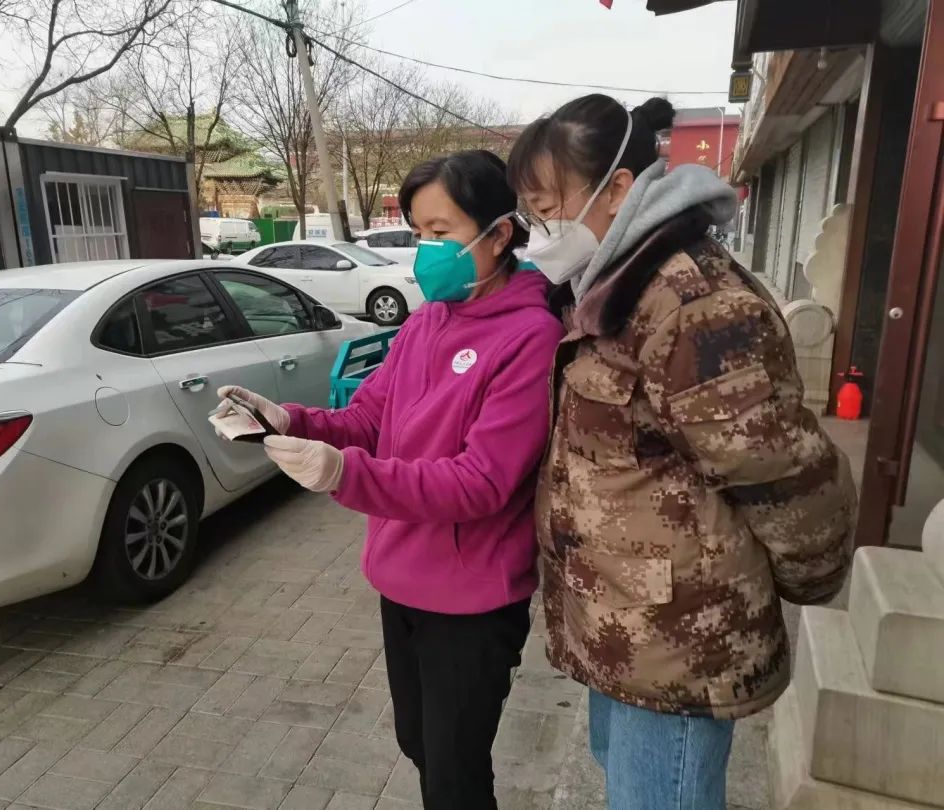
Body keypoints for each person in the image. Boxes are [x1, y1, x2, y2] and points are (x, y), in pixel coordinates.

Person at [507, 95, 857, 810]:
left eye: (546, 208)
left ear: (617, 188)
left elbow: (782, 472)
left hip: (679, 635)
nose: (537, 230)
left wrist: (813, 579)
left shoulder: (691, 302)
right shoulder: (612, 282)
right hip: (628, 624)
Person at [216, 150, 564, 809]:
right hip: (399, 580)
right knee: (418, 744)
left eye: (444, 233)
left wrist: (346, 474)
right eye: (419, 233)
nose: (427, 251)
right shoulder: (425, 323)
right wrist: (287, 417)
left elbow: (481, 482)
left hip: (471, 599)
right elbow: (371, 414)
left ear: (500, 234)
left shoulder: (530, 337)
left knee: (455, 776)